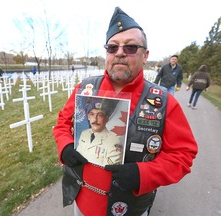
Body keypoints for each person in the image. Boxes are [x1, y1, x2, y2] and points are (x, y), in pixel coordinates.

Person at [53, 6, 198, 216]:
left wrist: (144, 174)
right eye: (112, 47)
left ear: (145, 55)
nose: (120, 52)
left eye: (130, 48)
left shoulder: (164, 102)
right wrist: (65, 146)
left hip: (131, 209)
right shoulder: (85, 88)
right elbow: (62, 125)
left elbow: (183, 155)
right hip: (83, 202)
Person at [76, 98, 122, 167]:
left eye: (100, 115)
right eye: (92, 114)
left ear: (106, 119)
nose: (95, 119)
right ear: (88, 116)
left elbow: (109, 171)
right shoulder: (84, 134)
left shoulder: (114, 142)